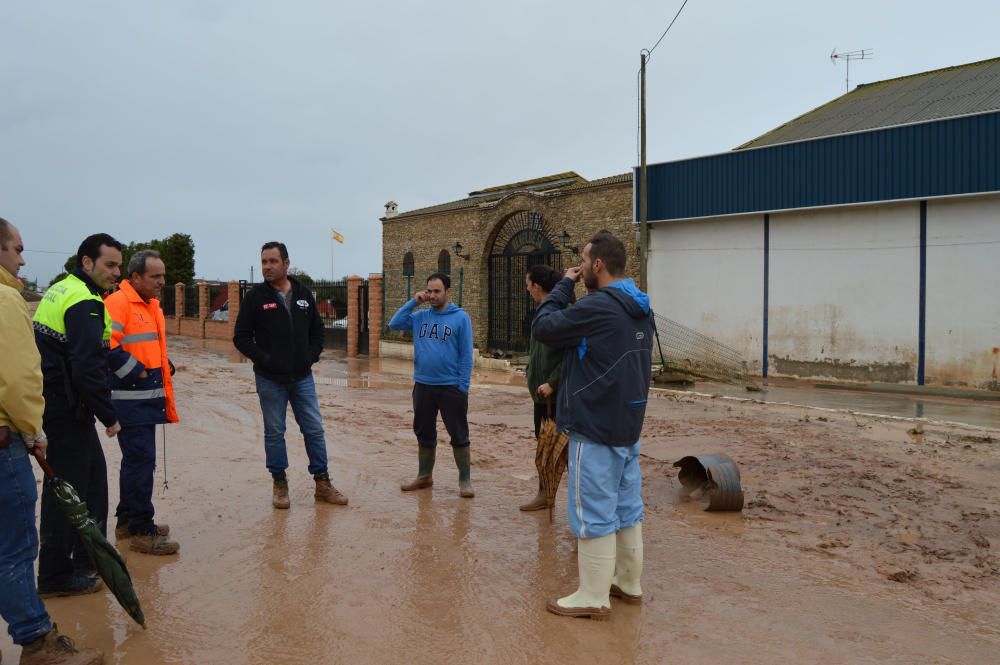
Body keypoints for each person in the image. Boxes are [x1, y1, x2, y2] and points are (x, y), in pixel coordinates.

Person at [532, 231, 654, 620]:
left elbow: (544, 326)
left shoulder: (600, 306)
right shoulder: (641, 305)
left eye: (583, 262)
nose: (580, 268)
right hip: (627, 425)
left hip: (594, 426)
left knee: (593, 510)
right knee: (627, 508)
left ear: (598, 265)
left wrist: (563, 285)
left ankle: (593, 596)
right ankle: (628, 584)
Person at [0, 218, 104, 664]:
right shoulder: (7, 299)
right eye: (17, 249)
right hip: (12, 439)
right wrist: (34, 432)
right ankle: (38, 641)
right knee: (16, 547)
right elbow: (19, 379)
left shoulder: (60, 294)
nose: (23, 259)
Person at [33, 233, 123, 598]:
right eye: (110, 265)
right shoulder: (85, 301)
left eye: (119, 265)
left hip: (56, 405)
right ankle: (56, 575)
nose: (116, 273)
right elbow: (87, 369)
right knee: (68, 493)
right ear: (87, 263)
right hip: (68, 410)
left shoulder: (61, 288)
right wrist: (109, 416)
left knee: (93, 486)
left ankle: (87, 559)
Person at [234, 241, 348, 509]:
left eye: (273, 261)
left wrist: (311, 356)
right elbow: (240, 337)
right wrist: (265, 359)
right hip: (269, 378)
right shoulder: (255, 297)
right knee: (275, 432)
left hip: (302, 378)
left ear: (286, 263)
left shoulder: (302, 293)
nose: (267, 267)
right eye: (264, 262)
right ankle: (280, 484)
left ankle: (322, 483)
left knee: (314, 429)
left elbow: (317, 331)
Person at [104, 249, 180, 555]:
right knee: (140, 463)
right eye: (156, 276)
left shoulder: (149, 305)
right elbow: (107, 347)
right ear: (136, 277)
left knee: (137, 462)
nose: (162, 281)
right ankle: (140, 529)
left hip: (145, 400)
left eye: (163, 275)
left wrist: (164, 363)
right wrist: (137, 371)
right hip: (131, 402)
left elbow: (145, 345)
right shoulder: (118, 303)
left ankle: (126, 522)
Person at [388, 272, 475, 498]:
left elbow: (466, 356)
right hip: (423, 386)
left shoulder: (461, 318)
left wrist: (463, 387)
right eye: (429, 291)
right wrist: (414, 301)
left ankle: (464, 480)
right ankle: (424, 476)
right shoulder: (420, 317)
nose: (432, 295)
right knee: (424, 432)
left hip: (451, 387)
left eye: (437, 291)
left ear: (448, 291)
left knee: (458, 434)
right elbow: (394, 323)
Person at [520, 264, 566, 512]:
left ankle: (552, 495)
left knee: (560, 449)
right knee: (543, 446)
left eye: (528, 285)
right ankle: (545, 494)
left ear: (536, 286)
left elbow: (571, 355)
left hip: (556, 395)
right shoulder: (541, 312)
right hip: (540, 396)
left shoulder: (560, 313)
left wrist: (554, 382)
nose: (527, 289)